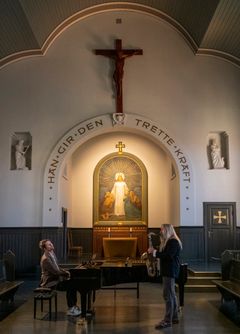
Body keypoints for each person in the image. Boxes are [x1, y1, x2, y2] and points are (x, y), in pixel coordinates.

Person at [148, 224, 182, 329]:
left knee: (168, 295)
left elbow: (168, 256)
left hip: (170, 271)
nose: (160, 232)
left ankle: (167, 321)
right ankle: (175, 317)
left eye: (162, 230)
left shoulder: (173, 242)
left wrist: (155, 252)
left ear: (167, 230)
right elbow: (166, 253)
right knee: (171, 294)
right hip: (168, 271)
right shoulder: (170, 241)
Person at [39, 239, 81, 316]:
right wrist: (66, 273)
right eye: (49, 244)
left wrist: (66, 271)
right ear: (44, 248)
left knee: (73, 283)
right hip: (50, 282)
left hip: (55, 278)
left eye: (51, 243)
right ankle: (71, 309)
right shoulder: (46, 259)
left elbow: (57, 267)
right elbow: (55, 272)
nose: (51, 245)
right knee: (70, 285)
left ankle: (73, 306)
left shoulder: (52, 253)